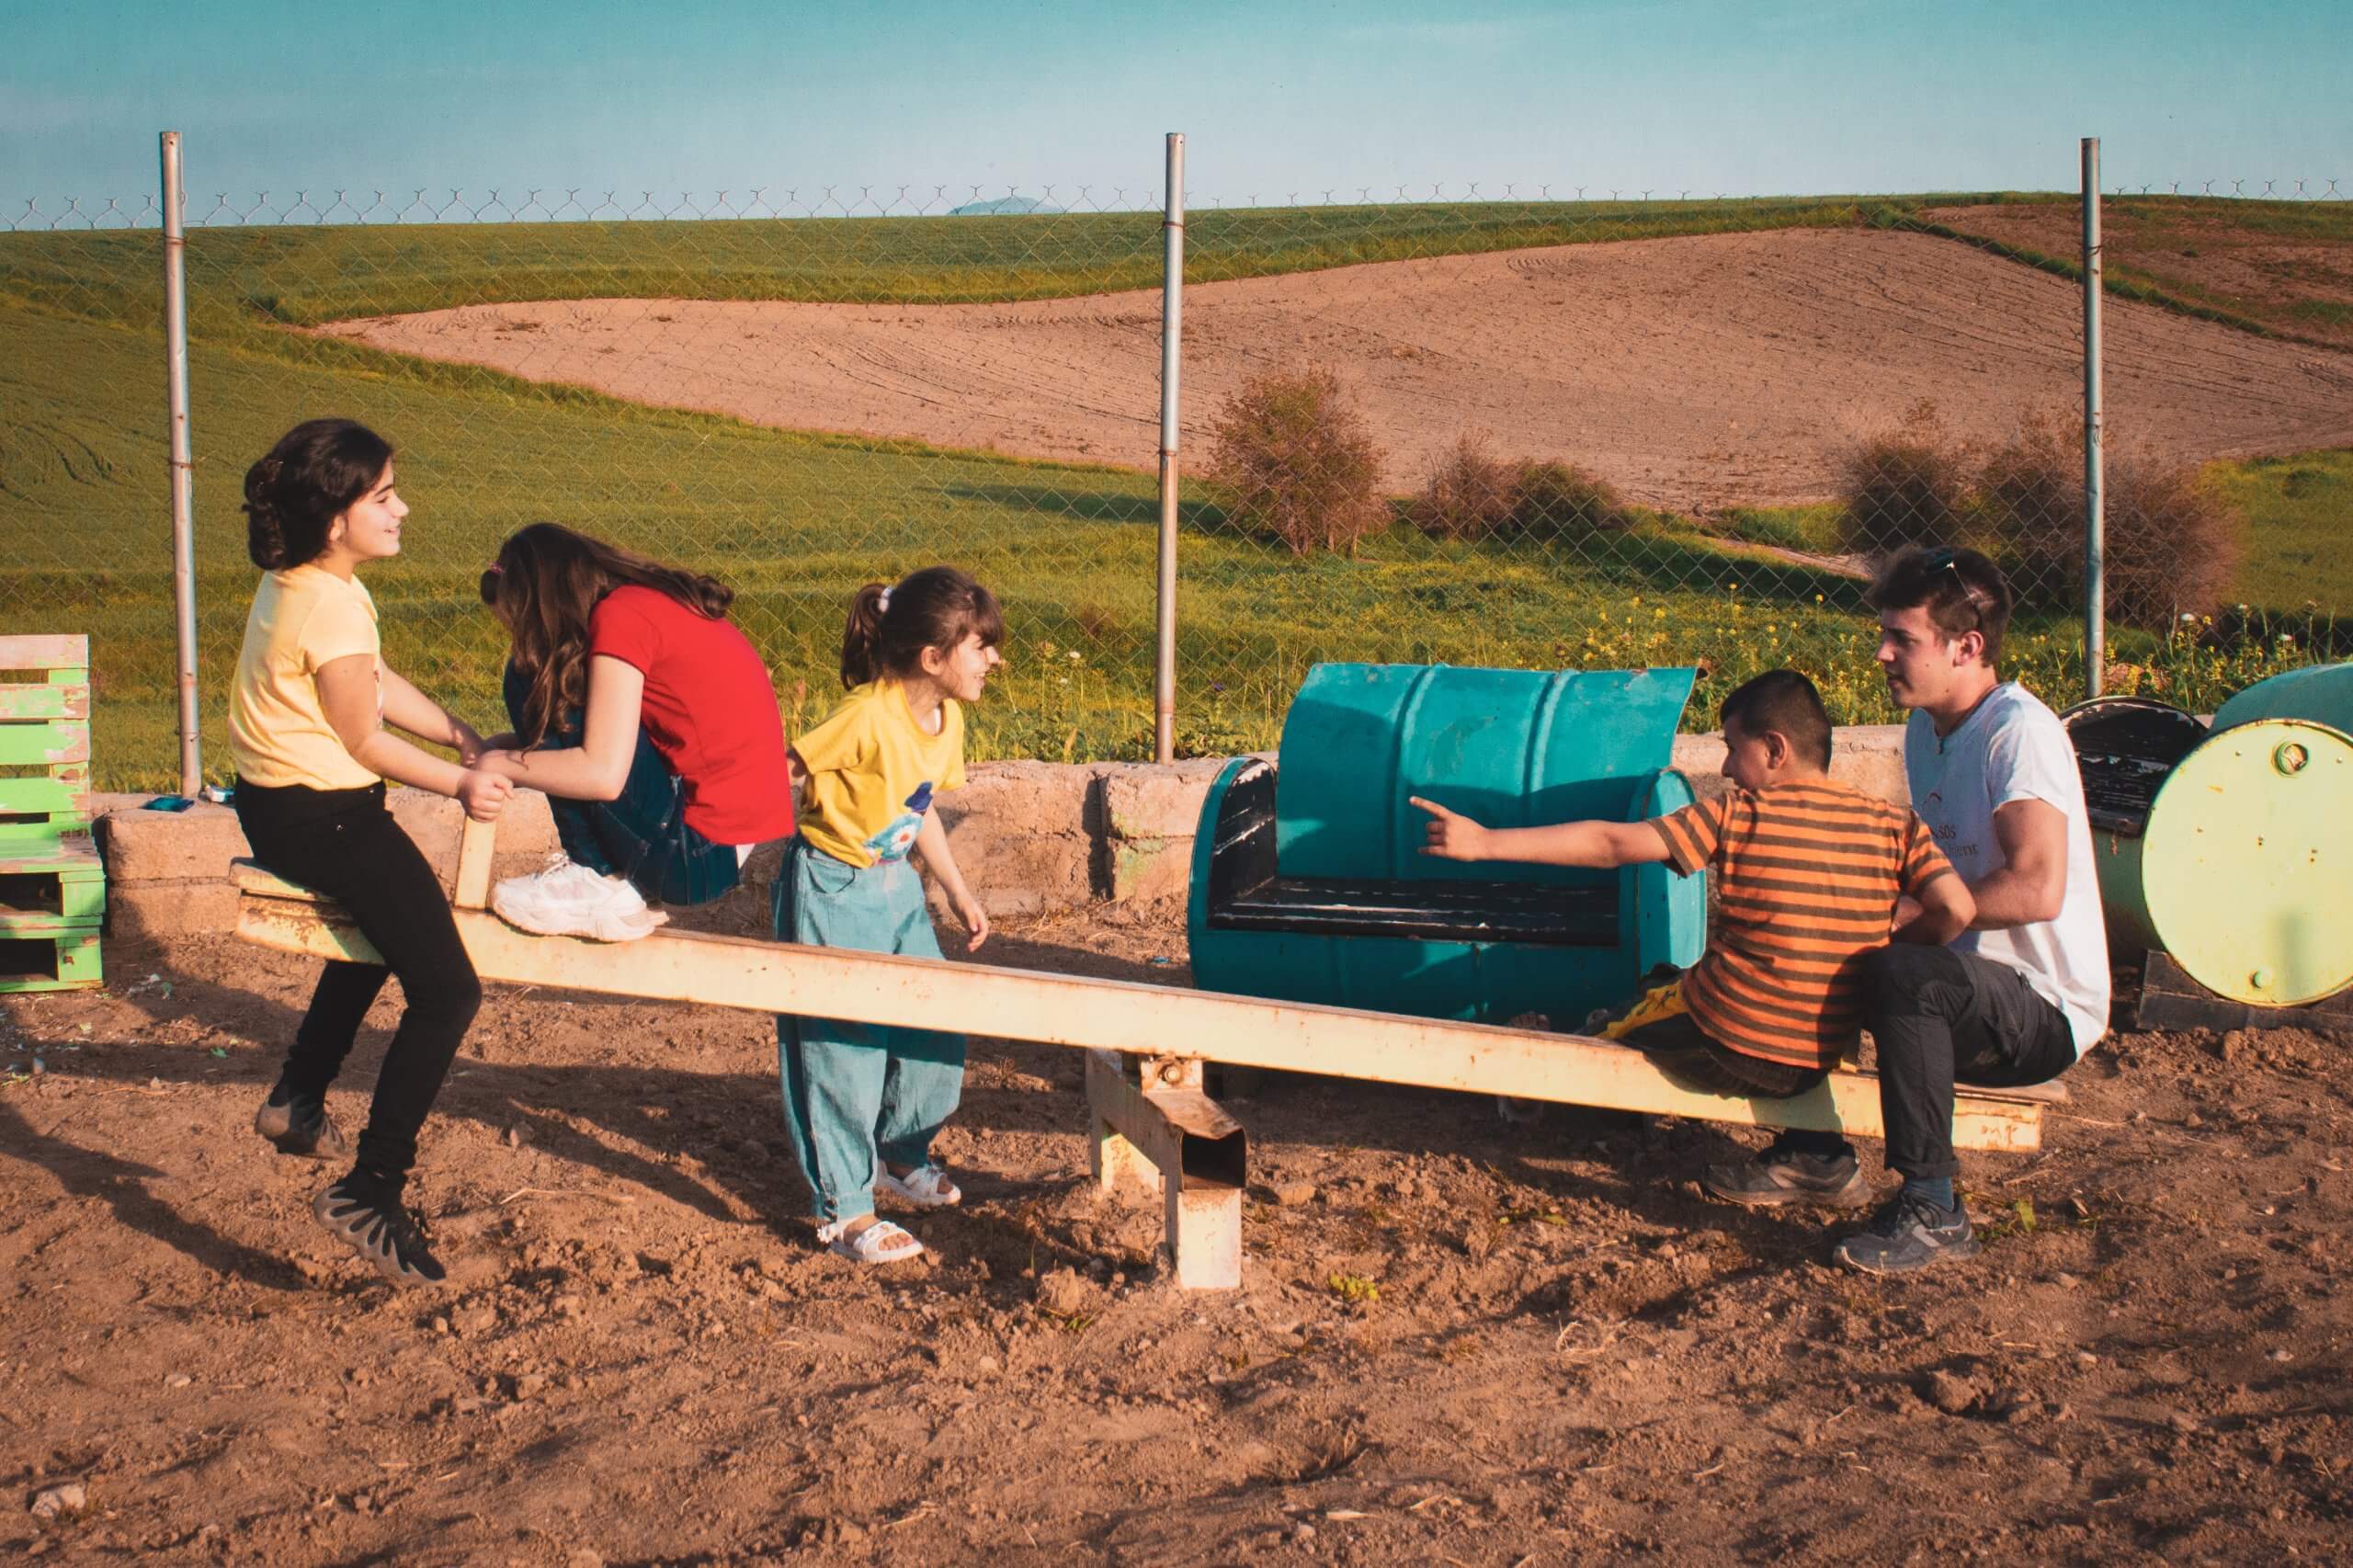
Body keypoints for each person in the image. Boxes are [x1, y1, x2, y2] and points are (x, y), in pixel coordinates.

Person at [1415, 669, 1973, 1176]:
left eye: (1733, 749)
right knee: (1669, 981)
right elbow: (1957, 909)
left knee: (1629, 1020)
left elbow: (1612, 843)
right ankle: (1814, 1153)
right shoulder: (1896, 824)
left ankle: (1542, 1080)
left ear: (1775, 749)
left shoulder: (1740, 813)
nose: (1727, 769)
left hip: (1729, 1043)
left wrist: (1485, 841)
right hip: (1818, 1058)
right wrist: (1880, 951)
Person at [229, 417, 513, 1287]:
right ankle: (370, 1188)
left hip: (280, 805)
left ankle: (298, 1098)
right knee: (448, 989)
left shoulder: (305, 580)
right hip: (325, 813)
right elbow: (362, 735)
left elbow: (371, 682)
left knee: (382, 936)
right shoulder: (334, 598)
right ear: (335, 515)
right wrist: (459, 782)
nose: (403, 509)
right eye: (383, 497)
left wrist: (456, 729)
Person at [1818, 546, 2108, 1275]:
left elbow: (2036, 887)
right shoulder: (1926, 728)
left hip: (2042, 1011)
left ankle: (1936, 1206)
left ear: (1967, 646)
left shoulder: (2017, 731)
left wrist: (1915, 920)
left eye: (1903, 639)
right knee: (1824, 937)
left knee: (1905, 975)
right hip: (1968, 988)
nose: (1882, 653)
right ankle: (1811, 1152)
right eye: (1883, 634)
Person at [775, 567, 999, 1265]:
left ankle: (899, 1153)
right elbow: (786, 768)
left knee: (936, 1018)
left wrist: (956, 892)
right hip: (833, 887)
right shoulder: (866, 715)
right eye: (981, 646)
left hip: (896, 886)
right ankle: (845, 1210)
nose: (994, 659)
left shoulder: (945, 716)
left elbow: (918, 804)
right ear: (933, 659)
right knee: (843, 1050)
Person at [475, 524, 793, 939]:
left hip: (693, 857)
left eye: (519, 625)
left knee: (530, 673)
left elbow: (602, 773)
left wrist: (501, 763)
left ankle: (595, 879)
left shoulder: (620, 619)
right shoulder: (644, 604)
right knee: (553, 673)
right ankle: (605, 885)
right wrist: (511, 748)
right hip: (719, 849)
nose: (517, 639)